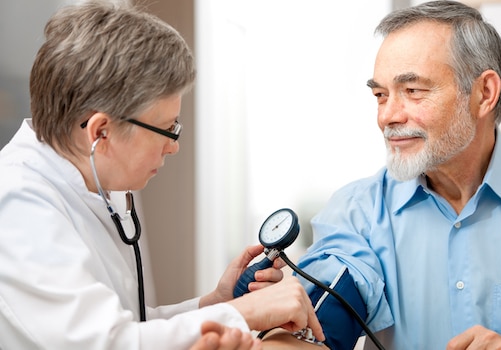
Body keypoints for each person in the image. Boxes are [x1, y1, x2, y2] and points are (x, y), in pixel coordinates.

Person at [260, 1, 501, 349]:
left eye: (413, 91)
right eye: (380, 95)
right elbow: (315, 322)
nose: (388, 116)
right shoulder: (356, 213)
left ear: (484, 93)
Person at [0, 1, 323, 349]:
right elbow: (110, 343)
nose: (174, 147)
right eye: (167, 129)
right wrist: (246, 312)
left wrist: (216, 303)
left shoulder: (80, 187)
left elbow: (128, 325)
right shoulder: (19, 205)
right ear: (100, 133)